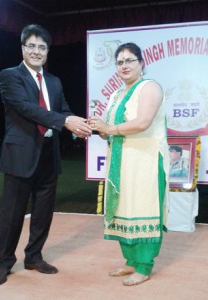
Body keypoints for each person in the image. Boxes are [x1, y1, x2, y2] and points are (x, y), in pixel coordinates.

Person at [0, 24, 92, 285]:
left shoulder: (54, 81)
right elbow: (27, 109)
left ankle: (34, 256)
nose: (37, 51)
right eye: (32, 46)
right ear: (23, 48)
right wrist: (65, 122)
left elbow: (64, 110)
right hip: (20, 155)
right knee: (12, 214)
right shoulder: (10, 76)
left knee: (43, 213)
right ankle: (4, 262)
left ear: (48, 51)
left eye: (42, 47)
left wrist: (80, 125)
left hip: (49, 154)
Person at [89, 43, 169, 286]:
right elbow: (112, 130)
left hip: (145, 162)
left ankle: (144, 265)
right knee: (125, 208)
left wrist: (109, 128)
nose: (124, 65)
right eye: (120, 61)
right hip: (121, 163)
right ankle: (131, 261)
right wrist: (100, 129)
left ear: (141, 63)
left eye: (130, 60)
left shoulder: (150, 87)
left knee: (144, 208)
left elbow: (143, 122)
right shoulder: (117, 94)